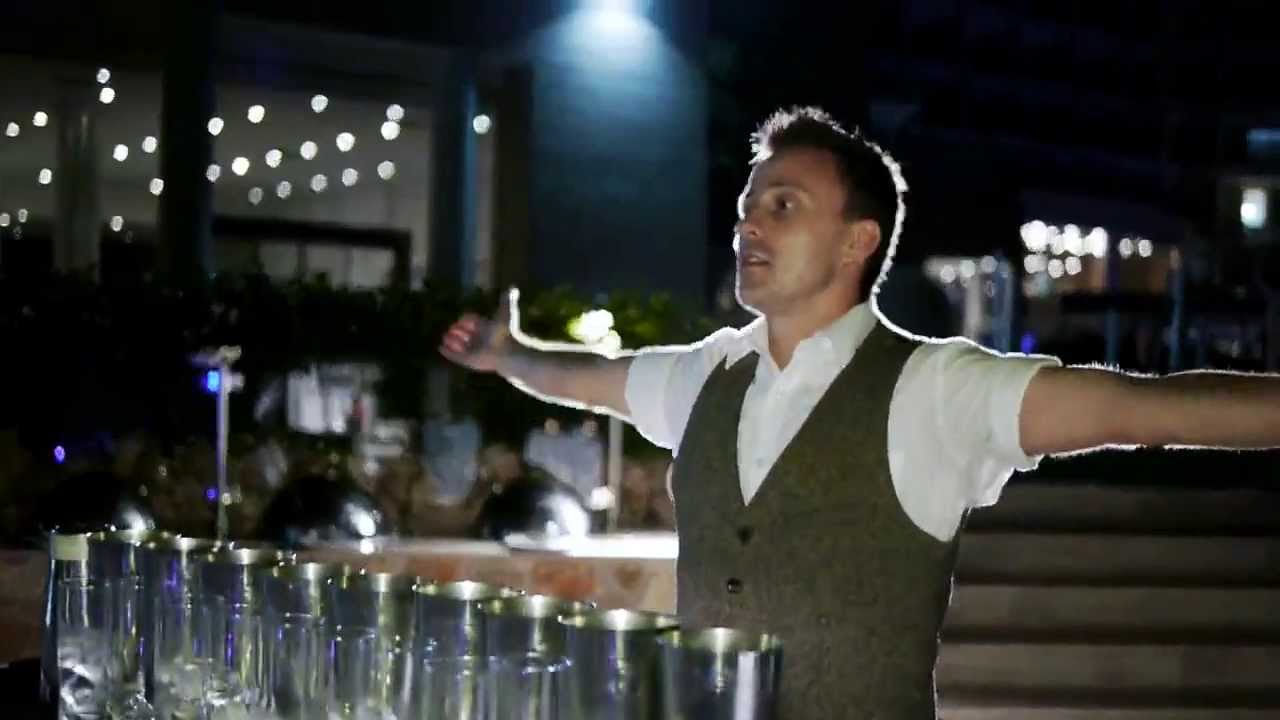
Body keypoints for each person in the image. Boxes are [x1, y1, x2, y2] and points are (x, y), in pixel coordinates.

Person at [439, 106, 1280, 719]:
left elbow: (1143, 409)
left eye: (783, 206)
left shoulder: (932, 389)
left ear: (857, 242)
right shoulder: (707, 374)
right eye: (748, 205)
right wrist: (511, 356)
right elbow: (593, 378)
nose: (749, 225)